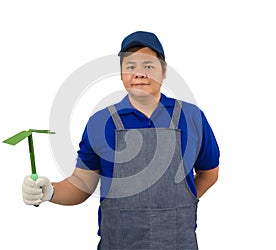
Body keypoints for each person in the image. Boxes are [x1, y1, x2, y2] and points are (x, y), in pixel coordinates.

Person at [22, 31, 220, 249]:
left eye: (149, 66)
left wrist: (179, 203)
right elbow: (82, 183)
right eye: (131, 67)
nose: (140, 74)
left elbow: (209, 173)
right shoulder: (101, 122)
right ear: (121, 74)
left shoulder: (191, 117)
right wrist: (49, 191)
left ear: (164, 72)